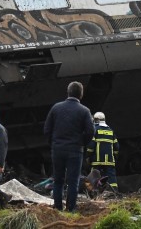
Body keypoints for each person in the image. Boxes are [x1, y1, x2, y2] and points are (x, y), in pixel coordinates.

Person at [43, 81, 94, 212]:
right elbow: (90, 131)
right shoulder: (84, 111)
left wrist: (54, 143)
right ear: (81, 94)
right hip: (75, 150)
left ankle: (58, 207)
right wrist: (82, 143)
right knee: (73, 181)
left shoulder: (56, 108)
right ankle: (71, 209)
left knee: (58, 179)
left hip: (58, 149)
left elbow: (47, 129)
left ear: (68, 92)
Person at [87, 112, 119, 195]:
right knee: (111, 175)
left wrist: (88, 156)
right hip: (109, 160)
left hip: (97, 160)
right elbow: (117, 147)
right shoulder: (111, 131)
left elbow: (91, 146)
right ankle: (114, 192)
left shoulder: (95, 130)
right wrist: (114, 156)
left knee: (94, 175)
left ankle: (93, 192)